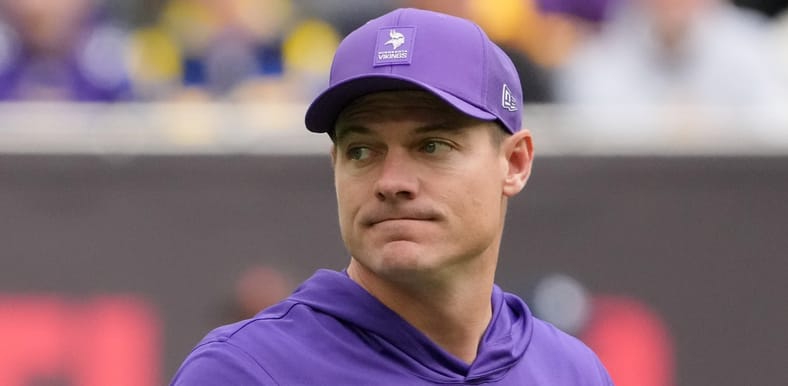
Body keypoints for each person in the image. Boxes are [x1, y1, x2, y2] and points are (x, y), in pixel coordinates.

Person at [170, 8, 614, 385]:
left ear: (514, 163)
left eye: (432, 146)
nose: (391, 181)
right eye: (362, 151)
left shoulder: (571, 372)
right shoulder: (246, 371)